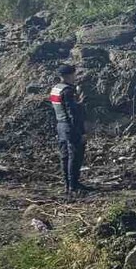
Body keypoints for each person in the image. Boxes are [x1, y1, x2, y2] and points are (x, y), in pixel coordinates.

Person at [49, 64, 86, 196]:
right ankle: (73, 186)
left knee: (65, 156)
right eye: (74, 74)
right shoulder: (68, 91)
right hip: (71, 127)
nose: (75, 77)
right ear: (69, 75)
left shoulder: (55, 89)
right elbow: (73, 114)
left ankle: (67, 184)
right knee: (74, 156)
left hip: (60, 125)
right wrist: (81, 132)